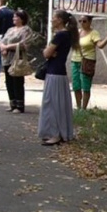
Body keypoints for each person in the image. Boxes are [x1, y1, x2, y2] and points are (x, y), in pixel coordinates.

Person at [39, 10, 79, 146]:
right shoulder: (67, 35)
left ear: (60, 20)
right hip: (59, 72)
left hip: (54, 73)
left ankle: (54, 133)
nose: (51, 20)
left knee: (52, 104)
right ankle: (60, 131)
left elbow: (46, 53)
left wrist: (48, 51)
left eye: (54, 18)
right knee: (59, 103)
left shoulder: (60, 35)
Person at [72, 16, 107, 110]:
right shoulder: (77, 32)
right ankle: (78, 107)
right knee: (76, 86)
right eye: (80, 21)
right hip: (75, 60)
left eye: (84, 21)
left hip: (87, 61)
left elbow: (100, 45)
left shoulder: (94, 33)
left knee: (85, 86)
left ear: (90, 22)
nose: (82, 23)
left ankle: (84, 108)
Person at [0, 9, 34, 113]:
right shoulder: (10, 29)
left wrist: (8, 46)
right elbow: (2, 40)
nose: (14, 18)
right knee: (8, 81)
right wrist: (3, 48)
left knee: (17, 81)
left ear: (22, 19)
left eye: (16, 17)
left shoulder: (26, 30)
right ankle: (12, 103)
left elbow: (24, 44)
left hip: (17, 57)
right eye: (14, 17)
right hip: (7, 58)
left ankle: (19, 106)